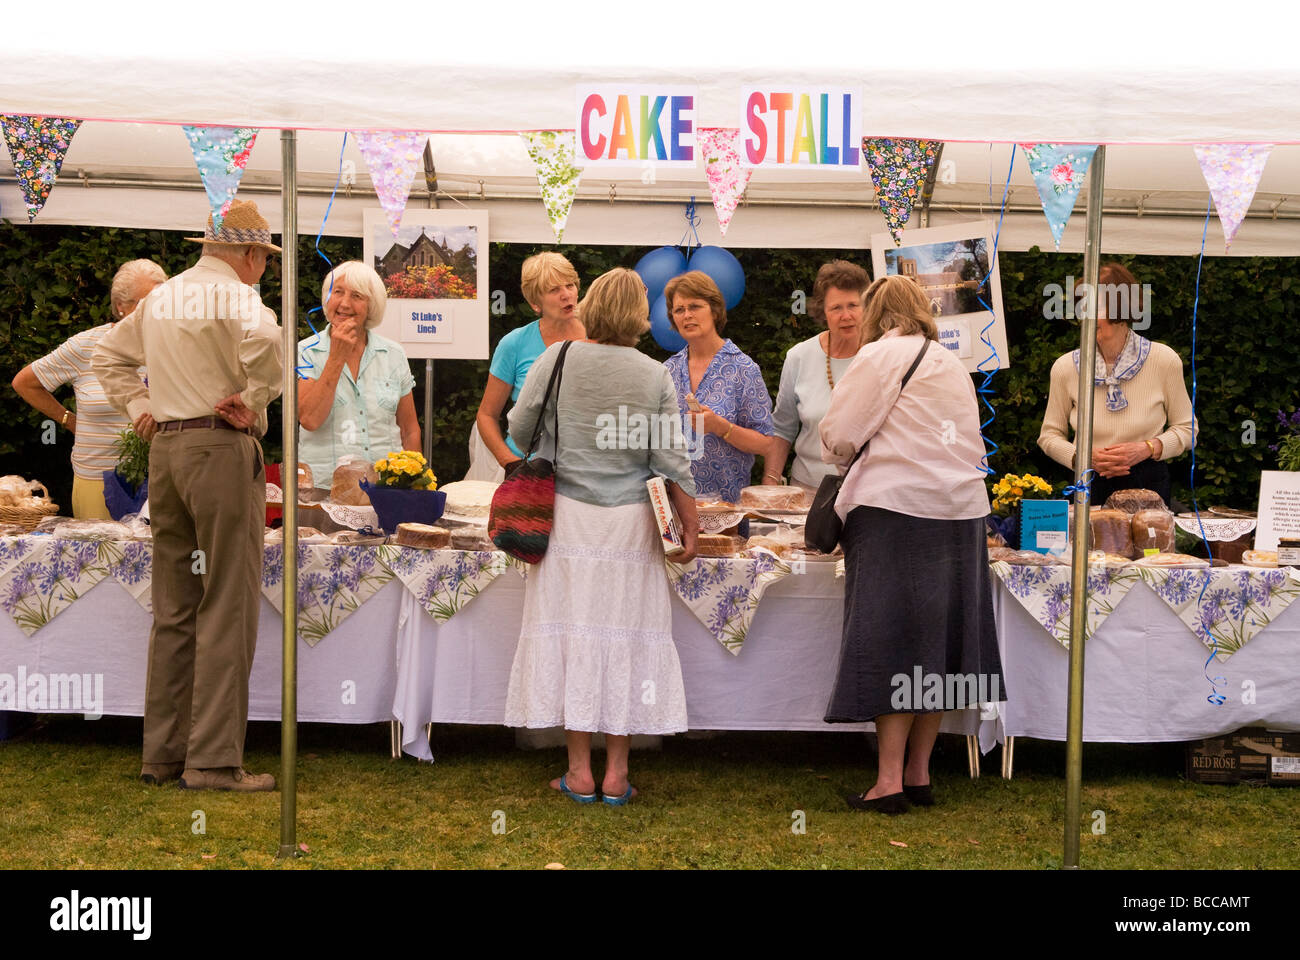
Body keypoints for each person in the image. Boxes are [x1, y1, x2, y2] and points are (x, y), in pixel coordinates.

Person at [93, 199, 284, 792]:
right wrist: (255, 398)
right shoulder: (241, 298)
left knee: (174, 606)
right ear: (249, 254)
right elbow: (267, 346)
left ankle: (163, 754)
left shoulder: (162, 296)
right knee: (228, 602)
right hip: (219, 450)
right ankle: (214, 762)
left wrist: (141, 406)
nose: (264, 271)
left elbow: (107, 355)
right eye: (264, 260)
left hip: (167, 454)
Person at [503, 267, 698, 805]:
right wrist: (692, 526)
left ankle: (578, 771)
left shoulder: (555, 358)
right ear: (640, 315)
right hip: (631, 523)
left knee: (573, 635)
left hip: (564, 518)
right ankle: (616, 774)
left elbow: (518, 431)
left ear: (590, 306)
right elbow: (671, 462)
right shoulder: (655, 375)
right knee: (624, 638)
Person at [820, 275, 1002, 814]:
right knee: (939, 646)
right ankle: (919, 775)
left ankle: (888, 783)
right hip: (961, 511)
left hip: (895, 511)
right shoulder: (951, 362)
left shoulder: (878, 356)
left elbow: (839, 435)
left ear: (877, 313)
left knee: (893, 643)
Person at [12, 260, 166, 518]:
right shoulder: (88, 345)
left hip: (162, 479)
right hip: (97, 481)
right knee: (99, 558)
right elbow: (25, 382)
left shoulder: (177, 346)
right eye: (146, 303)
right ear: (121, 306)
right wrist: (68, 419)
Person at [1038, 262, 1196, 506]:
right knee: (1089, 546)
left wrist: (1148, 448)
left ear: (1121, 308)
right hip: (1089, 481)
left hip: (1148, 483)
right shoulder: (1065, 367)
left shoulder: (1164, 360)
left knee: (1150, 546)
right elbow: (1049, 436)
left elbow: (1188, 430)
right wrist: (1082, 457)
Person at [297, 261, 419, 485]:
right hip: (323, 490)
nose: (344, 303)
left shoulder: (393, 354)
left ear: (371, 305)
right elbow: (309, 419)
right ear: (327, 298)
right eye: (338, 292)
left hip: (385, 488)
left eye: (356, 296)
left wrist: (413, 483)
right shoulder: (306, 351)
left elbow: (409, 430)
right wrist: (336, 357)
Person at [662, 271, 773, 502]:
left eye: (694, 306)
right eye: (679, 310)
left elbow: (765, 443)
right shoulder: (668, 370)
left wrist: (721, 427)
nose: (687, 315)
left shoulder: (743, 369)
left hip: (726, 506)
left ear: (714, 310)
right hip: (674, 506)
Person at [766, 260, 870, 491]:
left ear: (866, 307)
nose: (846, 315)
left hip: (870, 491)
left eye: (853, 305)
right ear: (823, 312)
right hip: (809, 490)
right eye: (836, 308)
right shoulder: (799, 357)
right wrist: (770, 483)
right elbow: (782, 428)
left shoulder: (882, 355)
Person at [476, 252, 584, 475]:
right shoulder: (514, 344)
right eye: (554, 290)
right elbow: (486, 416)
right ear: (535, 304)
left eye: (570, 285)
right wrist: (511, 463)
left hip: (584, 470)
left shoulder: (599, 335)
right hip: (529, 470)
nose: (566, 295)